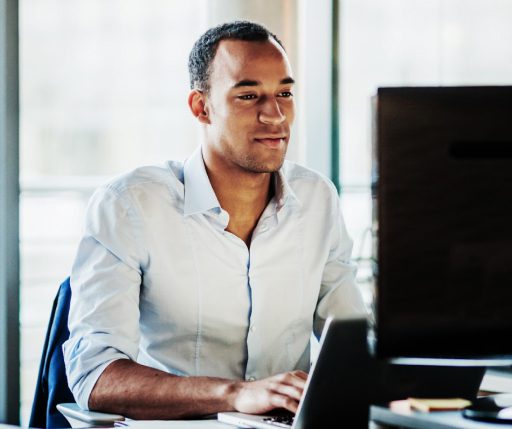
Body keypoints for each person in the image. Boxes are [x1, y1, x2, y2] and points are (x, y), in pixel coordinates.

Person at [63, 20, 365, 420]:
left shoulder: (316, 199)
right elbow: (96, 377)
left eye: (285, 93)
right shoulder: (129, 205)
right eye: (248, 95)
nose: (275, 114)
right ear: (201, 107)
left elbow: (353, 343)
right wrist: (235, 394)